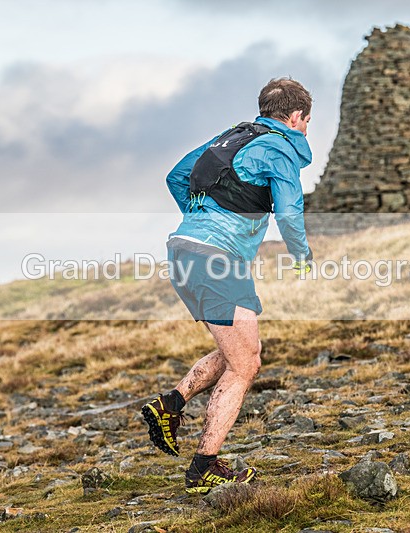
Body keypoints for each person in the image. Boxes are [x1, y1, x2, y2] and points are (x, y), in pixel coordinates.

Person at [141, 77, 315, 494]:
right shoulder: (280, 149)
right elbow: (290, 213)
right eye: (307, 121)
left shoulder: (228, 138)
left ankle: (170, 404)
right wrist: (303, 258)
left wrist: (202, 220)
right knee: (246, 363)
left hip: (183, 251)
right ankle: (204, 466)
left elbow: (176, 176)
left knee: (236, 349)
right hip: (217, 260)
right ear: (296, 117)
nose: (306, 128)